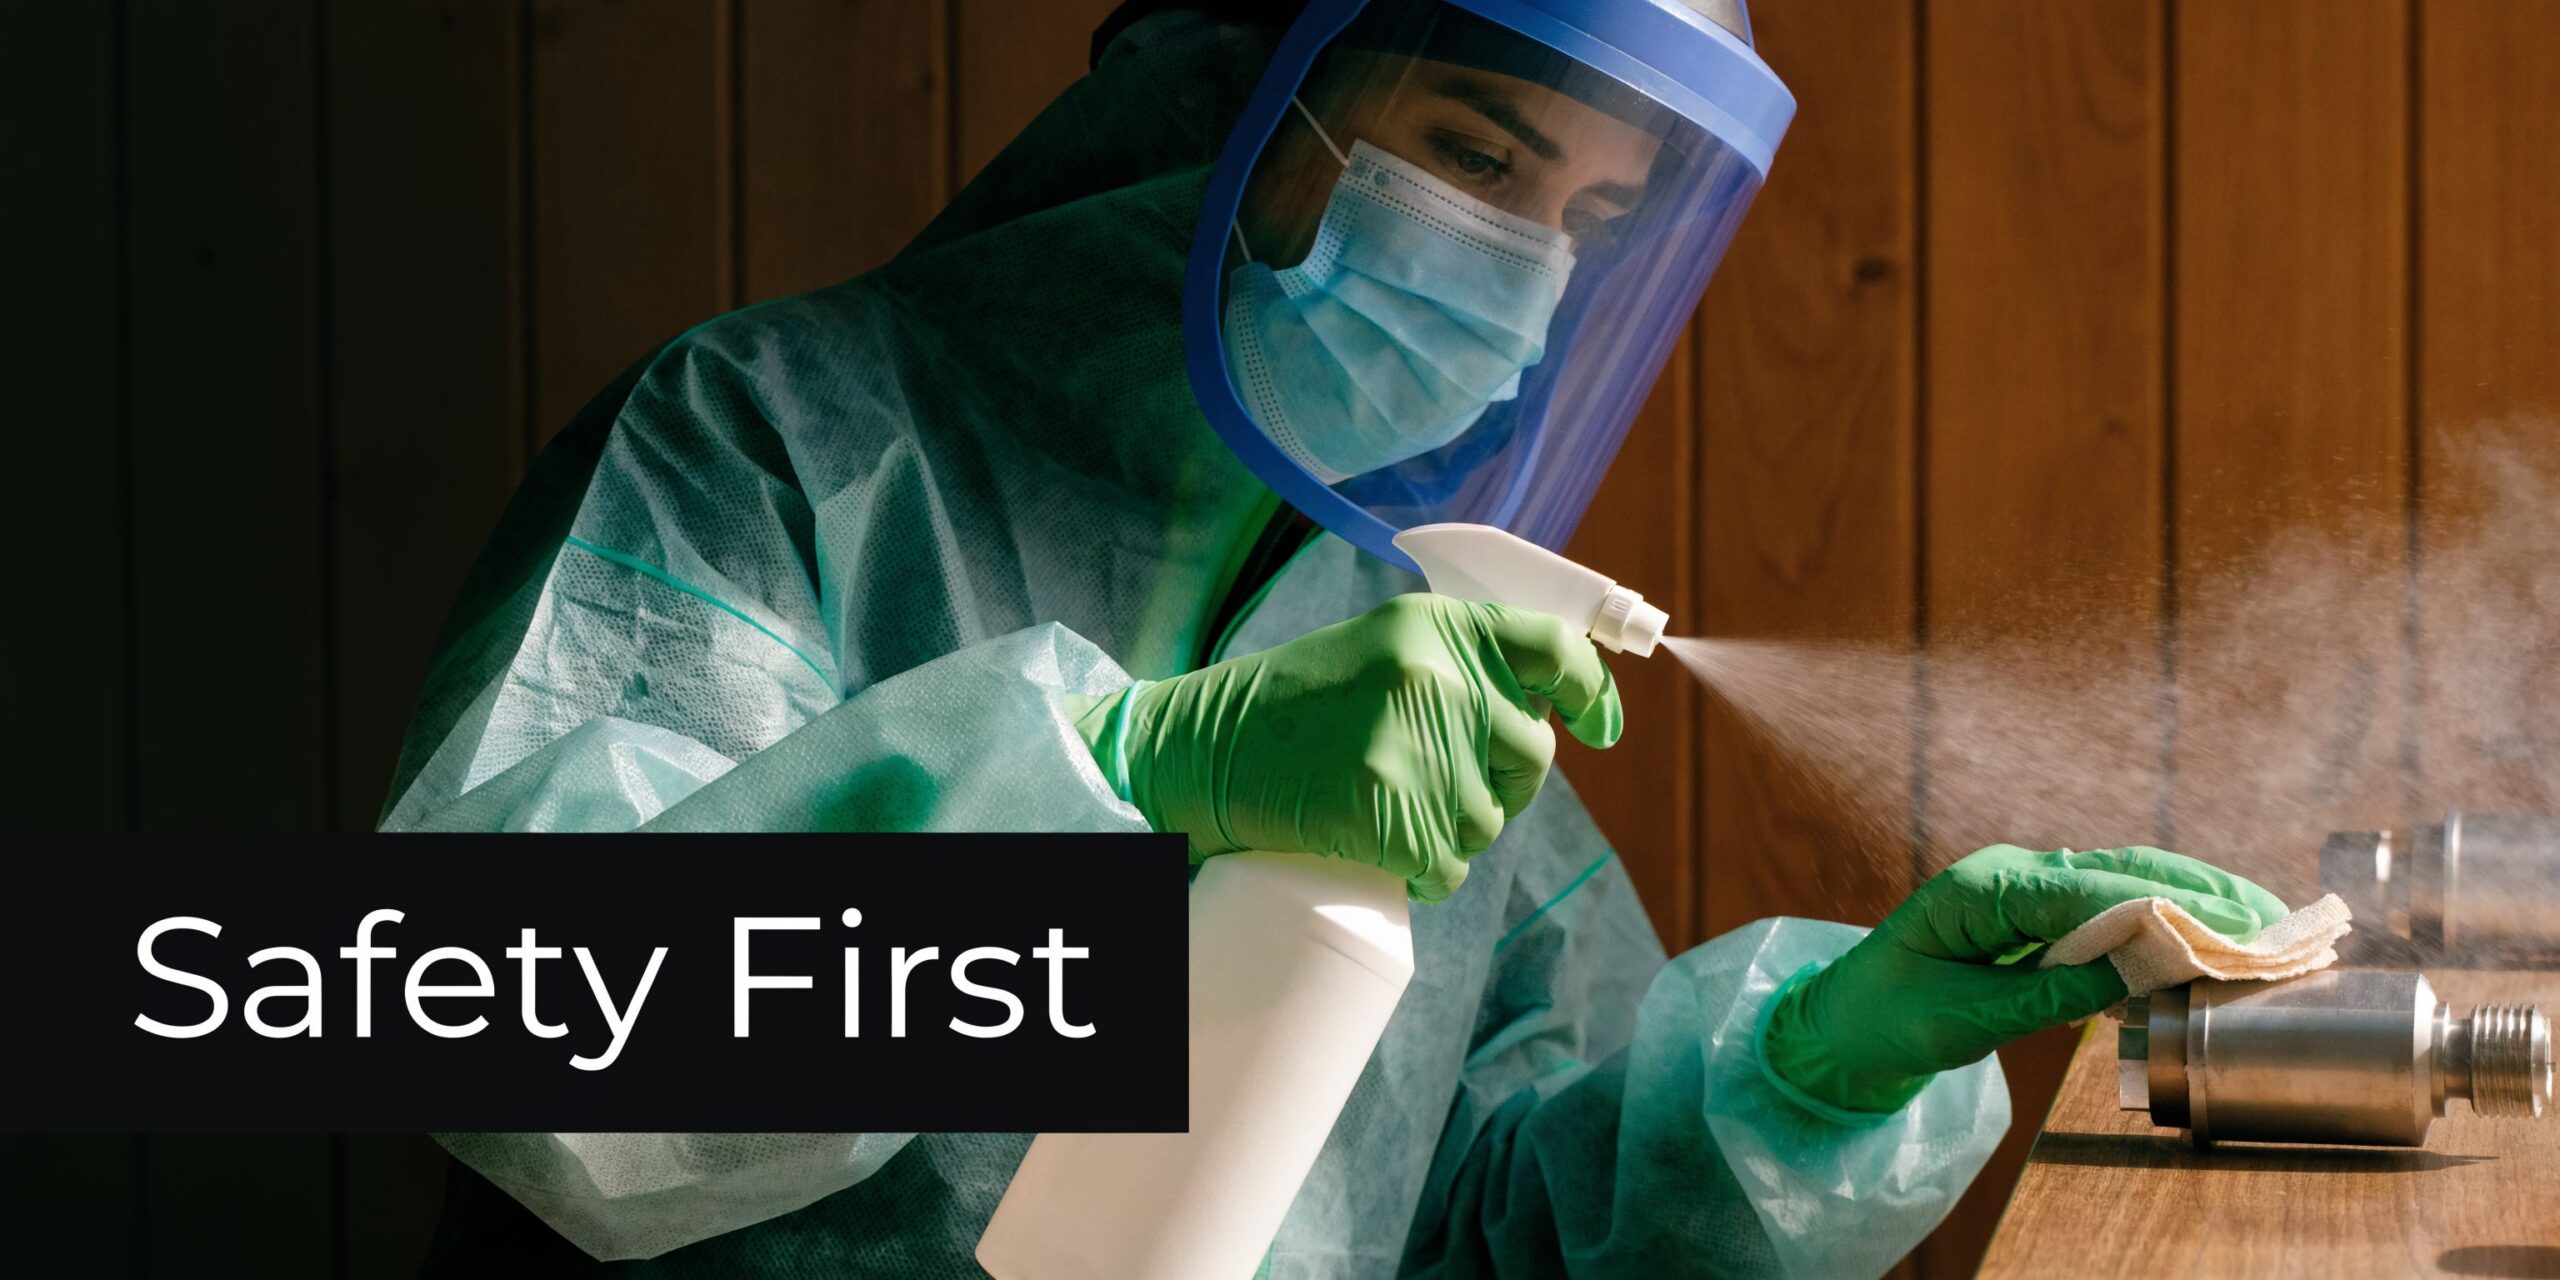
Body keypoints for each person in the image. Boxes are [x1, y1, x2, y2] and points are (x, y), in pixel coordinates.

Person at [387, 2, 2288, 1276]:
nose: (1523, 265)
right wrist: (1117, 773)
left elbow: (1485, 1217)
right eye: (1474, 153)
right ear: (1232, 98)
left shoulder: (1393, 610)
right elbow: (521, 1029)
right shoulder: (782, 442)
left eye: (1591, 214)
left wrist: (1819, 1069)